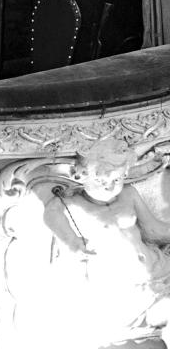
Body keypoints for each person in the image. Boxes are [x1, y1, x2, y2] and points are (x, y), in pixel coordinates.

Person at [42, 138, 170, 345]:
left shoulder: (128, 194)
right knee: (140, 340)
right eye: (102, 181)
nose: (110, 186)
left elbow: (153, 229)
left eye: (117, 180)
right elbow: (51, 213)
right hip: (120, 284)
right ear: (82, 176)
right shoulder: (74, 202)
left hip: (156, 269)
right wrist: (71, 241)